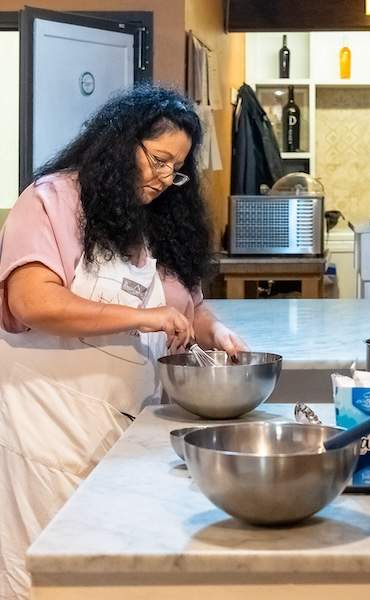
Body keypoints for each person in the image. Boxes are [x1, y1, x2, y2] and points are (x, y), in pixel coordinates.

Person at [0, 86, 247, 599]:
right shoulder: (51, 200)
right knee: (45, 576)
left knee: (111, 578)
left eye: (175, 170)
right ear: (120, 142)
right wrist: (143, 315)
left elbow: (186, 310)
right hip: (47, 427)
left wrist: (213, 330)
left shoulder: (160, 220)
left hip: (128, 434)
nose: (163, 180)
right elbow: (32, 302)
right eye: (157, 160)